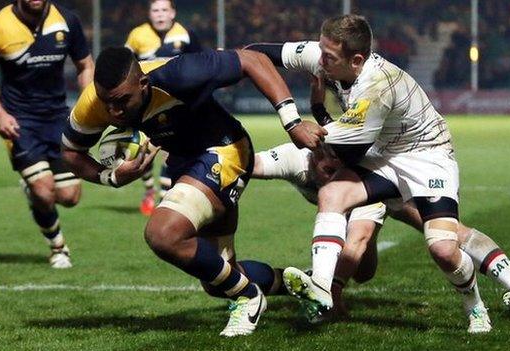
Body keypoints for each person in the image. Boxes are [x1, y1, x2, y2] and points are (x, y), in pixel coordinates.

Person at [246, 14, 493, 333]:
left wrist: (301, 121)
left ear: (357, 60)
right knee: (332, 193)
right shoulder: (328, 56)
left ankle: (475, 307)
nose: (320, 60)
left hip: (427, 155)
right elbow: (259, 52)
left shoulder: (375, 88)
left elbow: (348, 151)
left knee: (443, 249)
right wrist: (226, 59)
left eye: (328, 56)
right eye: (320, 50)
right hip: (386, 155)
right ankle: (322, 288)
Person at [61, 47, 325, 337]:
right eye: (106, 102)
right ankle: (299, 283)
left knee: (163, 234)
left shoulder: (179, 73)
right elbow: (71, 153)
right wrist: (110, 177)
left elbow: (253, 59)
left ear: (143, 84)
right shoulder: (94, 103)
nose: (114, 112)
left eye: (122, 101)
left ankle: (249, 297)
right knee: (217, 279)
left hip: (225, 150)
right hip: (186, 163)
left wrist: (293, 122)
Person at [252, 141, 510, 320]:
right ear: (312, 151)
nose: (330, 163)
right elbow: (248, 164)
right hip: (346, 205)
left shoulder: (355, 170)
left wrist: (333, 295)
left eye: (338, 159)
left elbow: (356, 239)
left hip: (381, 188)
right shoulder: (294, 156)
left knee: (446, 233)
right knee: (363, 272)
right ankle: (330, 286)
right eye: (324, 157)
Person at [0, 0, 94, 269]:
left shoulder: (67, 20)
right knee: (44, 191)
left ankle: (32, 190)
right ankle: (58, 248)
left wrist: (84, 103)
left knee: (69, 197)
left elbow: (85, 64)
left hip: (57, 118)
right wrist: (0, 115)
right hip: (20, 121)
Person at [125, 0, 203, 216]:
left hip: (176, 104)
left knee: (172, 151)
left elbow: (200, 65)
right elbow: (125, 68)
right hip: (144, 106)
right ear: (149, 13)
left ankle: (164, 198)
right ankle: (150, 190)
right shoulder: (137, 35)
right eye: (155, 10)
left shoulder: (186, 35)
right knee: (140, 151)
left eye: (164, 10)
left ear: (173, 13)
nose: (160, 15)